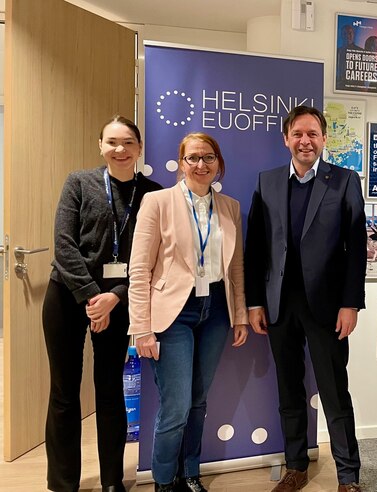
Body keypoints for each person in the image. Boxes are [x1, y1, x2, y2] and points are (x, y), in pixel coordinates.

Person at [244, 106, 366, 492]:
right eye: (297, 133)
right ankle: (295, 466)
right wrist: (254, 302)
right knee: (289, 390)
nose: (305, 141)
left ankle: (348, 476)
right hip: (279, 305)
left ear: (324, 139)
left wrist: (351, 304)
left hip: (327, 307)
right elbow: (255, 248)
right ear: (286, 139)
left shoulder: (344, 181)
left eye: (313, 134)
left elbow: (357, 248)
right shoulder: (267, 182)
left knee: (334, 391)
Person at [42, 115, 162, 492]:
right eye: (112, 142)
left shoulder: (153, 194)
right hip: (68, 295)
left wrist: (115, 297)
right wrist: (93, 298)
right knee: (64, 391)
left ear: (139, 148)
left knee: (110, 391)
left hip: (119, 301)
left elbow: (154, 258)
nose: (119, 149)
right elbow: (64, 245)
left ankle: (112, 481)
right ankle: (63, 483)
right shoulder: (79, 182)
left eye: (128, 142)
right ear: (100, 146)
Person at [128, 132, 249, 492]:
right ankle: (165, 481)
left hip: (216, 311)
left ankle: (190, 472)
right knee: (176, 405)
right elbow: (140, 269)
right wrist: (141, 328)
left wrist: (240, 314)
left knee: (198, 401)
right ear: (181, 163)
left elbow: (236, 267)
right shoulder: (157, 202)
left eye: (208, 157)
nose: (200, 164)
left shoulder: (229, 207)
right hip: (172, 314)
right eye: (192, 158)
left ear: (218, 163)